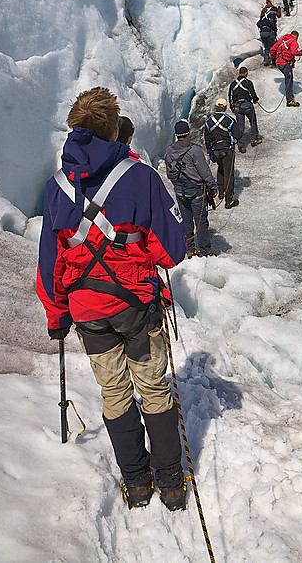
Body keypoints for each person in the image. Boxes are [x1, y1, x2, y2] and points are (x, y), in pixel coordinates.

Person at [36, 87, 187, 512]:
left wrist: (56, 315)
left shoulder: (56, 189)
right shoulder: (139, 176)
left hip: (86, 311)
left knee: (115, 393)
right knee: (154, 389)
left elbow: (50, 262)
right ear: (112, 128)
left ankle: (136, 484)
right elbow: (171, 249)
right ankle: (171, 484)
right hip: (135, 307)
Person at [164, 120, 218, 258]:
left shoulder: (169, 151)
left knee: (186, 221)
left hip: (180, 191)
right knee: (200, 221)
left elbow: (169, 173)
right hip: (196, 191)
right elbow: (205, 171)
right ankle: (204, 251)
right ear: (188, 133)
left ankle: (189, 249)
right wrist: (212, 187)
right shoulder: (194, 150)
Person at [204, 99, 241, 208]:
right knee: (229, 173)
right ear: (225, 108)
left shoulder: (209, 121)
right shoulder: (230, 120)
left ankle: (221, 193)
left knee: (220, 169)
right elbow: (238, 135)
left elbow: (207, 138)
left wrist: (210, 151)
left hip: (216, 151)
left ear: (215, 108)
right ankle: (229, 200)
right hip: (227, 150)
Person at [229, 66, 262, 153]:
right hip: (247, 105)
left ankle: (241, 146)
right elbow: (252, 93)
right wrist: (255, 100)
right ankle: (254, 139)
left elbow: (230, 96)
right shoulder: (248, 82)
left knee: (240, 126)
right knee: (253, 121)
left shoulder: (233, 84)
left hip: (237, 106)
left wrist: (232, 107)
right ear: (246, 73)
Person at [271, 31, 302, 107]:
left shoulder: (282, 40)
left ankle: (289, 98)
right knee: (289, 80)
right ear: (296, 36)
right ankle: (289, 100)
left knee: (288, 77)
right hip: (285, 63)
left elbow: (273, 49)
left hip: (279, 63)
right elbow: (294, 52)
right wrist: (300, 53)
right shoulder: (293, 41)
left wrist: (273, 60)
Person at [257, 0, 280, 66]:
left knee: (267, 47)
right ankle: (274, 61)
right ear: (274, 11)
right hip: (269, 32)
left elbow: (258, 23)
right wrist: (275, 29)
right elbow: (272, 22)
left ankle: (266, 60)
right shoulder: (272, 14)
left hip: (262, 33)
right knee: (274, 46)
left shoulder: (264, 15)